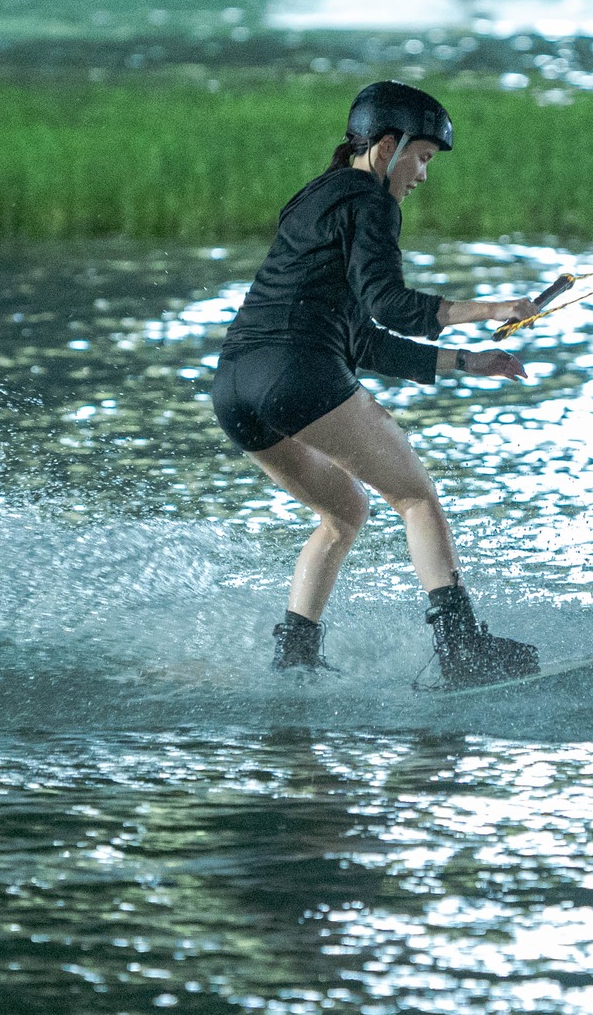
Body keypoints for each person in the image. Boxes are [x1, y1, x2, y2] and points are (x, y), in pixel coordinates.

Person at [210, 80, 542, 687]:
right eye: (422, 157)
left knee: (344, 511)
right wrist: (492, 307)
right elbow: (389, 304)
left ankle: (294, 661)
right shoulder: (371, 200)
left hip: (234, 386)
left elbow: (361, 338)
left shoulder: (315, 197)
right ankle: (461, 648)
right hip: (296, 371)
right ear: (388, 146)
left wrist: (468, 362)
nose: (422, 175)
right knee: (416, 497)